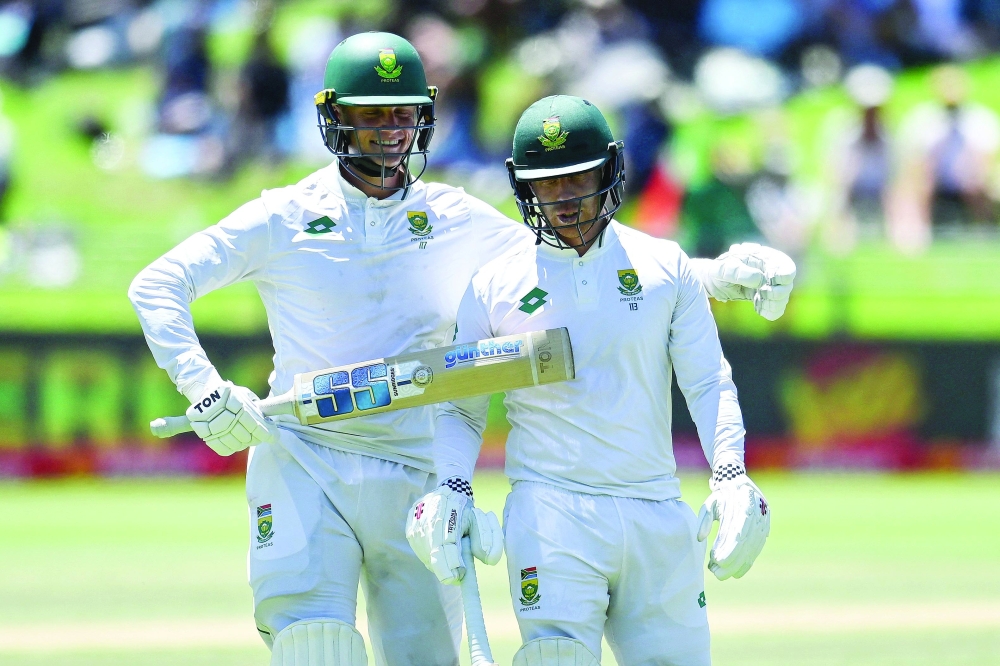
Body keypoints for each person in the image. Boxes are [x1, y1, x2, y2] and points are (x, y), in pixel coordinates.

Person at [130, 33, 791, 666]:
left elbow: (577, 261)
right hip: (304, 457)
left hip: (413, 470)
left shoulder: (455, 217)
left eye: (405, 114)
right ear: (334, 120)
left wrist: (710, 277)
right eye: (373, 115)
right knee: (313, 646)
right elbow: (158, 283)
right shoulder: (281, 215)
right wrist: (204, 387)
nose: (391, 130)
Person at [407, 96, 789, 666]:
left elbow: (709, 382)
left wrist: (730, 474)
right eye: (546, 183)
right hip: (550, 511)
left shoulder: (665, 268)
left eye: (576, 177)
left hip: (655, 508)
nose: (562, 197)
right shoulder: (495, 285)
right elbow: (462, 405)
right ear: (524, 187)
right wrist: (454, 487)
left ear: (609, 171)